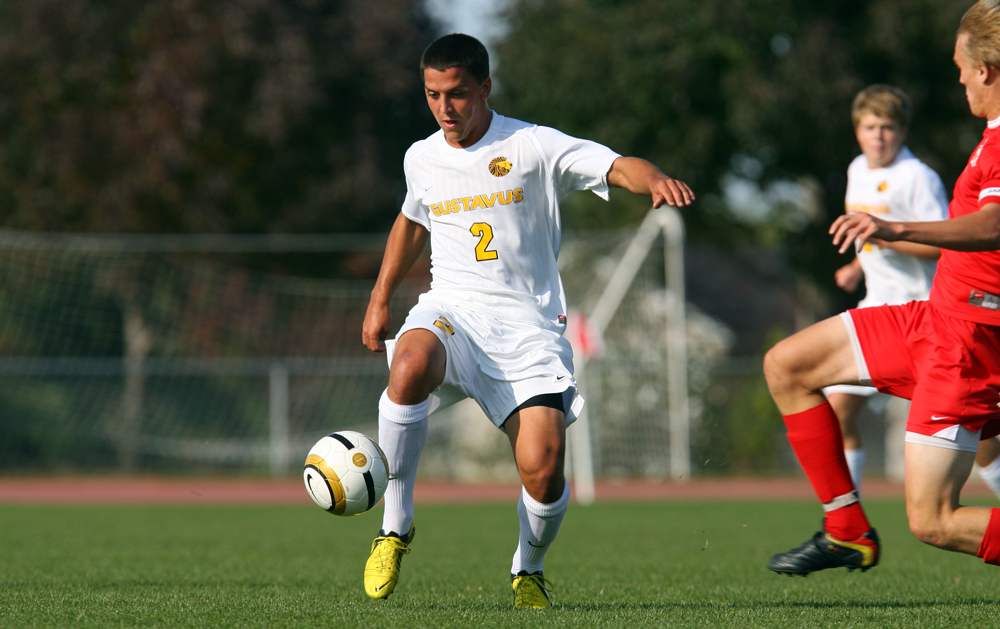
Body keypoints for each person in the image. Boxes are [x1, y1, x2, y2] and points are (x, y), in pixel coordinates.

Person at [361, 33, 694, 607]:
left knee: (542, 469)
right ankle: (395, 527)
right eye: (432, 94)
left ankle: (528, 568)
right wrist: (380, 296)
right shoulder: (423, 156)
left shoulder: (532, 146)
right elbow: (412, 222)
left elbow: (615, 166)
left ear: (485, 87)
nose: (445, 108)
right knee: (411, 361)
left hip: (528, 332)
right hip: (454, 312)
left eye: (458, 94)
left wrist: (655, 179)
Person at [763, 0, 1000, 576]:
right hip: (930, 319)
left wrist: (894, 228)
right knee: (787, 366)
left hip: (966, 341)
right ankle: (847, 530)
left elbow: (995, 225)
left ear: (987, 70)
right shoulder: (987, 137)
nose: (960, 76)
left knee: (934, 521)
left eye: (961, 66)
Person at [824, 85, 948, 493]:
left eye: (888, 127)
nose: (878, 136)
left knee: (970, 429)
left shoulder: (918, 177)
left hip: (921, 313)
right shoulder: (857, 169)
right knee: (837, 409)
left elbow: (941, 245)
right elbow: (869, 233)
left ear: (903, 131)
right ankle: (848, 523)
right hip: (876, 307)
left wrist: (882, 237)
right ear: (857, 130)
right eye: (870, 126)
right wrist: (858, 265)